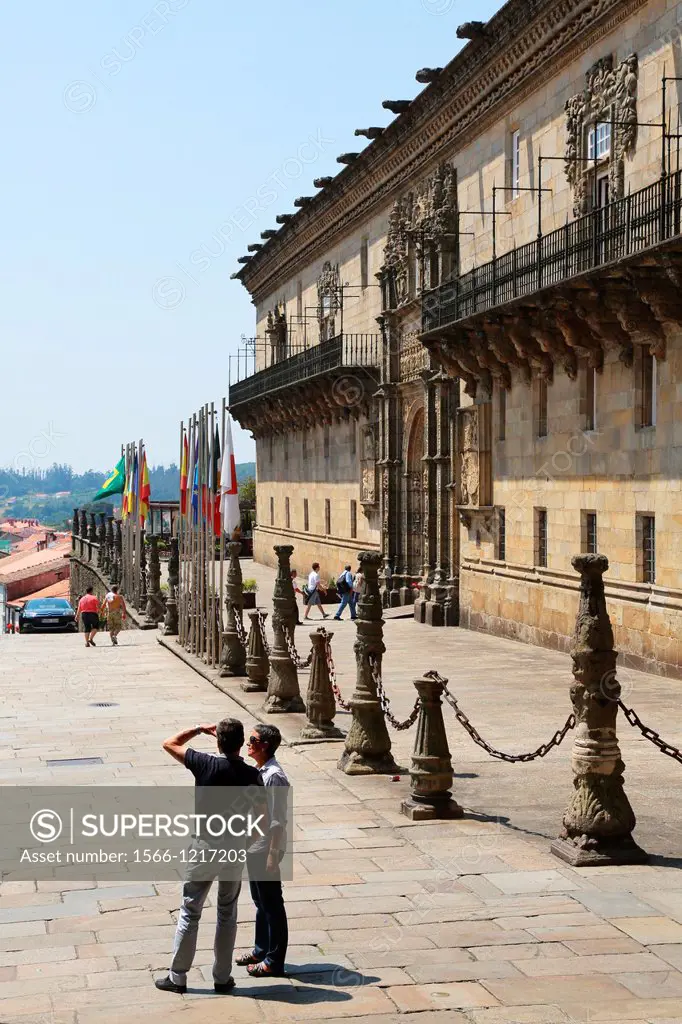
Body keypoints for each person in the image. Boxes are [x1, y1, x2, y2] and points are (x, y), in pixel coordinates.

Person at [155, 718, 262, 996]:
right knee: (227, 913)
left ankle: (178, 977)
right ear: (241, 744)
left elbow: (170, 743)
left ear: (218, 741)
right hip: (234, 847)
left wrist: (199, 729)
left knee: (191, 910)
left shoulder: (205, 764)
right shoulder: (252, 776)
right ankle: (222, 977)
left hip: (204, 846)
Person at [238, 724, 289, 977]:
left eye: (253, 739)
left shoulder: (274, 777)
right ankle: (261, 948)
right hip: (254, 845)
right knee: (260, 901)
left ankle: (274, 960)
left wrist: (272, 855)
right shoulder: (260, 770)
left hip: (266, 847)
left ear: (265, 745)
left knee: (272, 904)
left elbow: (278, 819)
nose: (248, 743)